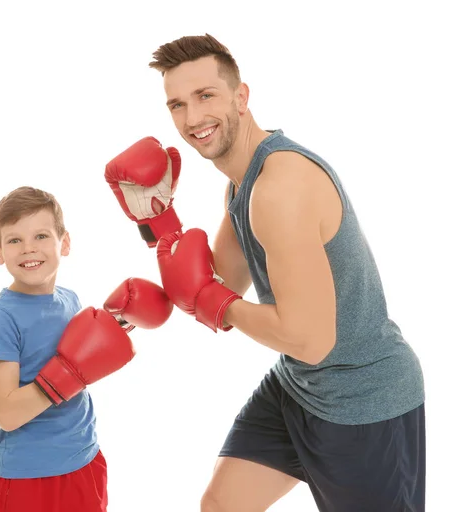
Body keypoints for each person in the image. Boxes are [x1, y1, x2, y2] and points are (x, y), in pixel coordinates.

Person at [105, 34, 426, 511]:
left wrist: (222, 306)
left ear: (241, 96)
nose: (192, 118)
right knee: (222, 505)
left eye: (205, 96)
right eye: (177, 104)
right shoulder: (242, 185)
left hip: (363, 400)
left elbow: (306, 337)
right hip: (300, 385)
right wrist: (160, 222)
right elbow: (216, 284)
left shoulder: (280, 189)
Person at [0, 186, 173, 512]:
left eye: (40, 236)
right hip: (28, 475)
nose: (28, 249)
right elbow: (7, 414)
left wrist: (117, 327)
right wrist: (68, 373)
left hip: (84, 459)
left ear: (64, 243)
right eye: (14, 240)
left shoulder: (70, 300)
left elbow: (85, 356)